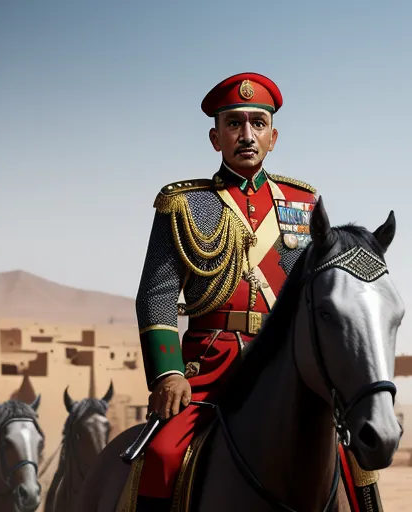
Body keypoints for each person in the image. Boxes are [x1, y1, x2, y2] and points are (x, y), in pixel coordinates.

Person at [135, 72, 350, 511]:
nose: (247, 134)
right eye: (234, 123)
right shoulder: (184, 204)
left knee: (352, 461)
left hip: (285, 365)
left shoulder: (303, 205)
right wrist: (168, 373)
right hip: (208, 366)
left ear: (274, 136)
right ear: (216, 137)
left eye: (258, 123)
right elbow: (156, 295)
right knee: (160, 456)